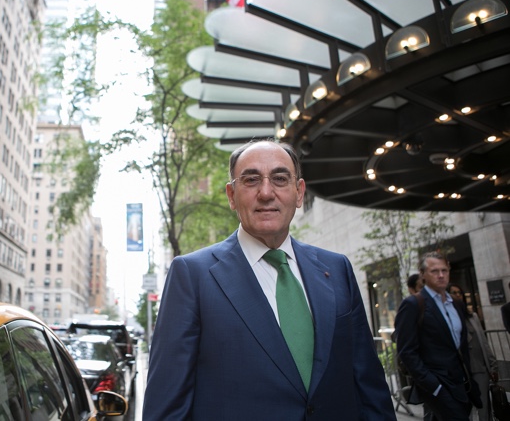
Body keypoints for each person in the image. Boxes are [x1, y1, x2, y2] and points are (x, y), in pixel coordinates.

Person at [142, 140, 396, 420]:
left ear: (299, 192)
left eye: (280, 179)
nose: (266, 192)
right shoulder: (192, 276)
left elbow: (369, 385)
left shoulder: (337, 269)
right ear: (231, 195)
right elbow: (167, 407)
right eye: (251, 180)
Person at [394, 252, 482, 421]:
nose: (441, 275)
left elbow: (461, 346)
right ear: (423, 274)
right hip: (438, 384)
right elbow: (406, 351)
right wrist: (433, 386)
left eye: (444, 270)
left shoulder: (456, 304)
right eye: (434, 271)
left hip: (462, 384)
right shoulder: (413, 305)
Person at [448, 283, 498, 421]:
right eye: (453, 292)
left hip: (480, 368)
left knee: (484, 408)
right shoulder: (448, 319)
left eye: (459, 292)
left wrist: (493, 364)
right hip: (461, 372)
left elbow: (483, 342)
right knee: (465, 410)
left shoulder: (472, 317)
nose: (457, 295)